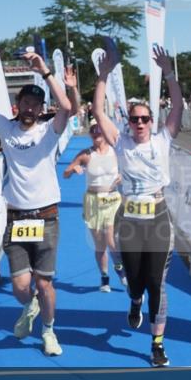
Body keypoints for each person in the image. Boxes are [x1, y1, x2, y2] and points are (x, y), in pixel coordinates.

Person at [0, 49, 73, 357]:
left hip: (46, 216)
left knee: (45, 284)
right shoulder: (6, 127)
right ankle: (30, 307)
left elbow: (67, 107)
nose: (30, 108)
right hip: (17, 218)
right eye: (25, 103)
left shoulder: (49, 131)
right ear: (18, 105)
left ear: (42, 109)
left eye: (35, 104)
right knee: (21, 287)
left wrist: (45, 71)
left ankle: (49, 331)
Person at [94, 42, 182, 368]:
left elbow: (178, 106)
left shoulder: (163, 139)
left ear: (152, 120)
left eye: (145, 119)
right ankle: (134, 300)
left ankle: (157, 344)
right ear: (129, 122)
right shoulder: (121, 142)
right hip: (130, 220)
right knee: (135, 280)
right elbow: (98, 111)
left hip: (158, 218)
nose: (141, 124)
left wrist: (168, 72)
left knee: (157, 283)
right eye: (135, 119)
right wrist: (103, 75)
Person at [63, 124, 122, 293]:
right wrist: (73, 170)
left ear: (105, 133)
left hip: (112, 199)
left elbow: (129, 168)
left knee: (111, 239)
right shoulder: (86, 154)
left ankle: (120, 268)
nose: (96, 135)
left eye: (99, 132)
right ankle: (104, 277)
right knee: (100, 244)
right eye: (93, 132)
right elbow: (65, 173)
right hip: (93, 201)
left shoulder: (115, 152)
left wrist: (123, 176)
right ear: (90, 135)